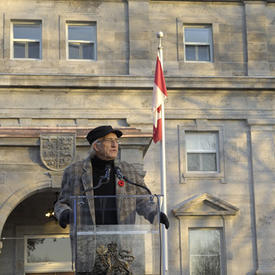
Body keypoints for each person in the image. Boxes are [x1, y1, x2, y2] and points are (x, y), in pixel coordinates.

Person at [54, 125, 169, 275]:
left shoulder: (127, 170)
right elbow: (61, 203)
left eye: (116, 140)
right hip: (89, 248)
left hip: (121, 249)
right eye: (110, 141)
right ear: (96, 146)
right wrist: (64, 214)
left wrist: (155, 214)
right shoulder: (74, 172)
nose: (115, 144)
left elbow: (142, 200)